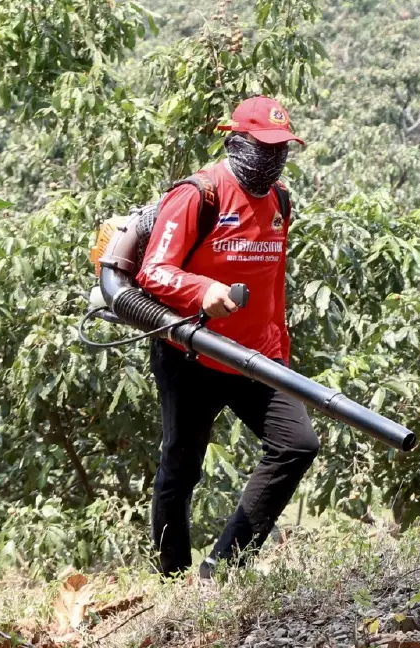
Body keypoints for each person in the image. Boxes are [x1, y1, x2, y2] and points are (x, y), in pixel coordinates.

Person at [136, 96, 319, 581]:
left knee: (297, 444)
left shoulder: (280, 200)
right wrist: (204, 289)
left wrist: (278, 348)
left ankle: (223, 569)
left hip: (255, 357)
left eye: (281, 149)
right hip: (190, 353)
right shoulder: (199, 193)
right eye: (263, 147)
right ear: (236, 141)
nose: (272, 159)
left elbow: (272, 283)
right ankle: (173, 580)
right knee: (182, 467)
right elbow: (154, 271)